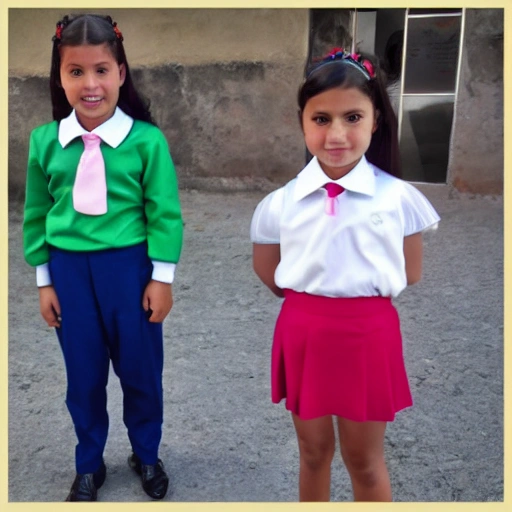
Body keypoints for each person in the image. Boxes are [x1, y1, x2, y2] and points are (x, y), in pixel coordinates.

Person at [250, 48, 440, 502]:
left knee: (364, 460)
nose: (336, 134)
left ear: (376, 119)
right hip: (303, 335)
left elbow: (410, 272)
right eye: (321, 119)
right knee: (313, 452)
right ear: (302, 121)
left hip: (368, 338)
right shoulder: (280, 203)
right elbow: (269, 272)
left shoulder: (398, 199)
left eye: (352, 117)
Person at [22, 14, 183, 502]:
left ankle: (147, 453)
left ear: (121, 72)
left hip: (129, 271)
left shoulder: (146, 141)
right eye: (76, 72)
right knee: (84, 376)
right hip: (70, 273)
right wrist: (44, 280)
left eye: (101, 70)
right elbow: (36, 213)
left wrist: (162, 277)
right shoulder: (45, 142)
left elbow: (165, 214)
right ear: (59, 76)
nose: (90, 84)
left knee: (140, 371)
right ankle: (88, 462)